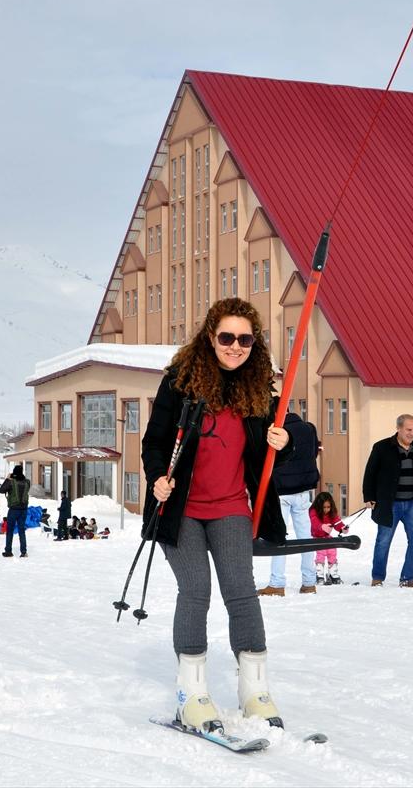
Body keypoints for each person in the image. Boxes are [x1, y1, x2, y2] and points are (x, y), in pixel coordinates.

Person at [140, 297, 300, 735]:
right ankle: (191, 695)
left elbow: (281, 452)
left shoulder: (260, 388)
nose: (235, 346)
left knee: (241, 592)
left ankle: (256, 692)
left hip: (231, 506)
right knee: (195, 590)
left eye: (245, 339)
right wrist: (157, 477)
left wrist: (283, 443)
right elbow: (154, 443)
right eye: (227, 337)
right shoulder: (181, 382)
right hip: (182, 509)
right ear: (211, 337)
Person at [362, 414, 413, 588]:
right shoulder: (382, 447)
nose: (412, 433)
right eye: (408, 430)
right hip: (389, 504)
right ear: (398, 428)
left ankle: (408, 578)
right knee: (383, 541)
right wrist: (368, 497)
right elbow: (370, 474)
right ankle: (377, 577)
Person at [259, 411, 320, 597]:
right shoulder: (309, 428)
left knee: (279, 538)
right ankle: (309, 582)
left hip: (281, 491)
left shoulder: (276, 430)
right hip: (303, 491)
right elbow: (314, 452)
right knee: (306, 538)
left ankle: (277, 583)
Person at [309, 491, 346, 585]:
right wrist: (322, 526)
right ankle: (319, 575)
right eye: (324, 507)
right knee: (321, 553)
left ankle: (333, 574)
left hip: (326, 536)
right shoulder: (313, 511)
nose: (326, 509)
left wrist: (342, 528)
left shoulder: (331, 513)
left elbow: (337, 522)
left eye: (328, 507)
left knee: (332, 551)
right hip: (317, 536)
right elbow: (314, 522)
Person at [0, 465, 30, 557]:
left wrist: (7, 479)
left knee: (10, 530)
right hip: (24, 510)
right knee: (21, 531)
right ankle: (23, 552)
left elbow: (1, 490)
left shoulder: (11, 482)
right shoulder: (27, 482)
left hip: (14, 510)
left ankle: (8, 551)